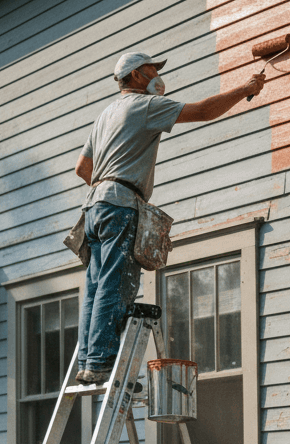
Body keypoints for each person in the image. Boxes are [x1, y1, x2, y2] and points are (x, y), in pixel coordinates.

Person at [73, 50, 265, 384]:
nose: (157, 74)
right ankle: (103, 362)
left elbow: (82, 168)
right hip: (119, 206)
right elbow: (204, 111)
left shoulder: (106, 114)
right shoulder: (143, 106)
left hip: (94, 208)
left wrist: (109, 184)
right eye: (151, 69)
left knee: (94, 285)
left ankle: (90, 362)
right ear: (135, 75)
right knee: (114, 284)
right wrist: (245, 88)